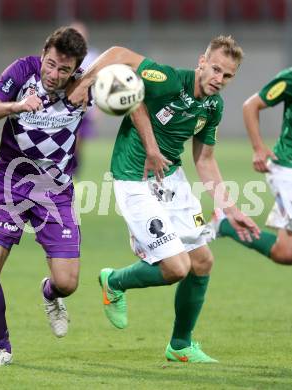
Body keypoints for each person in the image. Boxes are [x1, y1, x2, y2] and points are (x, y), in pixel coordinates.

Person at [68, 36, 260, 363]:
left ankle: (180, 346)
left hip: (171, 178)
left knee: (202, 263)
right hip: (134, 179)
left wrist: (230, 209)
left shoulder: (213, 106)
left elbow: (205, 160)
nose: (219, 79)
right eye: (215, 69)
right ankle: (113, 282)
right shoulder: (168, 79)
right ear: (202, 61)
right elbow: (118, 55)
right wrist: (86, 81)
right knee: (176, 268)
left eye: (227, 76)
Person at [0, 27, 88, 367]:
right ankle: (2, 347)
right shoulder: (23, 71)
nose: (54, 75)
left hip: (55, 190)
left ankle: (50, 294)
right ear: (43, 55)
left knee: (68, 283)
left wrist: (95, 84)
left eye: (63, 70)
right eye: (50, 65)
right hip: (10, 181)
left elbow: (119, 63)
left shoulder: (85, 87)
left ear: (76, 69)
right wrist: (17, 106)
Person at [205, 68, 292, 264]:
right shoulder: (290, 79)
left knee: (285, 253)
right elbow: (251, 105)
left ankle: (224, 223)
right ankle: (225, 223)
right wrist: (258, 148)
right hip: (288, 168)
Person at [69, 21, 101, 175]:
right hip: (66, 105)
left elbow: (98, 83)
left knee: (78, 140)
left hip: (85, 106)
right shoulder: (63, 55)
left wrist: (97, 107)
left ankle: (74, 170)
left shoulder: (93, 56)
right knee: (68, 138)